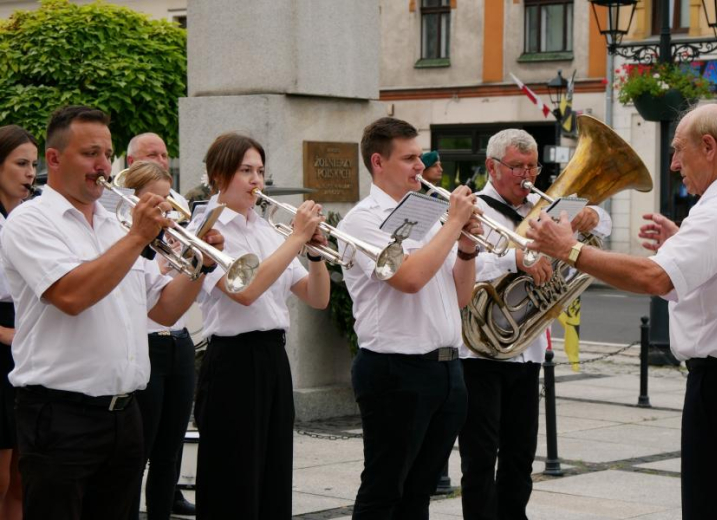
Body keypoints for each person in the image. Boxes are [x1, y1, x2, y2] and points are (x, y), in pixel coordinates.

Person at [526, 103, 717, 520]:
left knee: (713, 506)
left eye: (680, 150)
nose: (675, 163)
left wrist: (567, 249)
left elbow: (652, 278)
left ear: (710, 147)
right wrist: (683, 242)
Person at [0, 105, 223, 520]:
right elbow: (72, 295)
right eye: (89, 154)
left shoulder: (115, 226)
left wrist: (200, 264)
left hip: (124, 415)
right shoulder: (29, 221)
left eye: (107, 153)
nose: (103, 165)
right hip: (59, 415)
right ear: (54, 159)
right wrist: (139, 235)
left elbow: (165, 307)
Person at [458, 128, 611, 520]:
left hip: (524, 352)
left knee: (520, 455)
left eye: (532, 166)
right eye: (517, 167)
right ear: (492, 167)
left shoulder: (540, 209)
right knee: (479, 457)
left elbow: (600, 226)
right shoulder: (473, 209)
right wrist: (516, 260)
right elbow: (460, 267)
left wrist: (594, 216)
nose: (528, 176)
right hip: (479, 353)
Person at [338, 117, 482, 519]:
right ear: (379, 162)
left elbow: (461, 296)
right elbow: (410, 278)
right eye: (410, 158)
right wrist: (453, 224)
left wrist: (467, 246)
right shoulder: (361, 220)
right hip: (395, 371)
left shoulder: (432, 216)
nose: (421, 165)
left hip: (446, 371)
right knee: (385, 490)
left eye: (420, 156)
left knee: (419, 492)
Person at [192, 132, 330, 519]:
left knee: (273, 475)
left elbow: (316, 298)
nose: (257, 181)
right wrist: (298, 237)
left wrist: (315, 255)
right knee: (233, 481)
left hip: (272, 356)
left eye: (261, 171)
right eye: (245, 171)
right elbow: (246, 290)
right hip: (233, 361)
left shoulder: (267, 228)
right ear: (219, 175)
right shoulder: (207, 229)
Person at [126, 133, 197, 518]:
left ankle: (163, 507)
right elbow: (153, 301)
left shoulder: (171, 230)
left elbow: (173, 297)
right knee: (141, 445)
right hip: (147, 342)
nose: (166, 209)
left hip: (179, 341)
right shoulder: (128, 234)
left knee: (170, 445)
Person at [0, 125, 37, 520]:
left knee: (23, 475)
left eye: (33, 164)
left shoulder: (32, 215)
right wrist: (7, 333)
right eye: (21, 163)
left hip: (26, 338)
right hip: (7, 335)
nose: (30, 173)